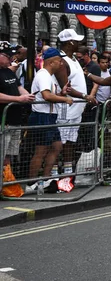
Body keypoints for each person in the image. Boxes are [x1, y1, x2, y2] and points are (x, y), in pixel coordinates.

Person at [28, 48, 73, 182]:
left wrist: (61, 94)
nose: (61, 64)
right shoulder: (43, 75)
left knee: (57, 146)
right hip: (42, 116)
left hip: (50, 116)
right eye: (59, 61)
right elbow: (46, 96)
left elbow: (49, 95)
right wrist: (65, 99)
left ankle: (46, 178)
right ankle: (32, 182)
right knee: (41, 151)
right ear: (52, 62)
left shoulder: (48, 77)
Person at [59, 29, 95, 174]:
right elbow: (65, 87)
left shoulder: (74, 59)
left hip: (76, 109)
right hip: (66, 109)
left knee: (71, 140)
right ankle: (55, 174)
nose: (80, 43)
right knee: (60, 142)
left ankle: (68, 171)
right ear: (70, 42)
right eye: (77, 41)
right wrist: (85, 96)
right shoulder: (62, 61)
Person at [0, 47, 35, 170]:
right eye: (7, 56)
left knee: (9, 155)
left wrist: (28, 95)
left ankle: (6, 180)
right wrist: (18, 99)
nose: (11, 58)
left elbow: (19, 87)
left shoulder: (9, 72)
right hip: (4, 122)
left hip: (15, 121)